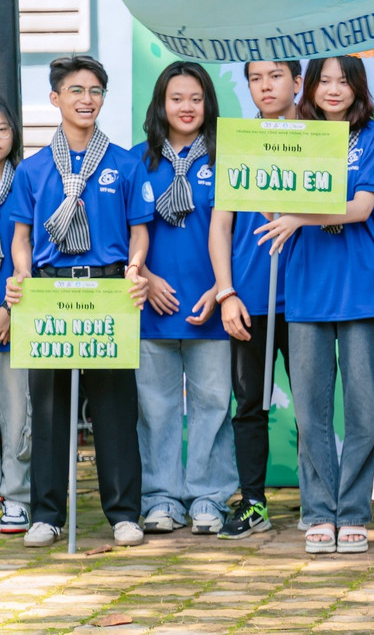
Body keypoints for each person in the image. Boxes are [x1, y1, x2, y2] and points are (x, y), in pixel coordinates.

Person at [254, 55, 374, 554]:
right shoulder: (292, 134)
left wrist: (299, 217)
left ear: (358, 88)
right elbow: (271, 203)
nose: (334, 90)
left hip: (359, 287)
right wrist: (279, 204)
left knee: (364, 411)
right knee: (311, 410)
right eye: (325, 81)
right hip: (308, 287)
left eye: (344, 81)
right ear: (309, 87)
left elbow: (362, 208)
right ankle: (318, 512)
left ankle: (353, 512)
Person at [7, 55, 152, 548]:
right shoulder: (33, 168)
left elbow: (139, 230)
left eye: (94, 91)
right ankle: (47, 514)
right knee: (47, 410)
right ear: (55, 99)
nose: (86, 99)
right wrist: (22, 278)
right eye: (75, 90)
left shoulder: (123, 163)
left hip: (108, 290)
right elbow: (21, 236)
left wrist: (135, 270)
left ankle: (123, 513)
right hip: (50, 293)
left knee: (114, 408)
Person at [135, 62, 237, 535]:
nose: (187, 107)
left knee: (213, 404)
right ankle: (159, 497)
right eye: (177, 98)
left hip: (210, 304)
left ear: (208, 104)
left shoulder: (225, 160)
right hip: (150, 306)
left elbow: (232, 232)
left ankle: (208, 496)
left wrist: (221, 289)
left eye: (196, 98)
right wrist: (147, 277)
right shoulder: (137, 161)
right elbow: (124, 234)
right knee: (155, 408)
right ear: (161, 104)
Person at [208, 60, 301, 540]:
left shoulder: (316, 139)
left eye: (276, 76)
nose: (266, 86)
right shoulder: (238, 142)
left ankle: (322, 503)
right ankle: (254, 503)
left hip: (307, 298)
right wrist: (226, 292)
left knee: (313, 405)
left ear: (297, 83)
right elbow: (220, 226)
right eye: (256, 79)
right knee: (249, 404)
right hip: (250, 299)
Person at [0, 98, 31, 534]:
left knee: (17, 414)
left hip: (16, 312)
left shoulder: (24, 181)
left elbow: (30, 250)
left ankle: (18, 496)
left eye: (2, 128)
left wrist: (9, 307)